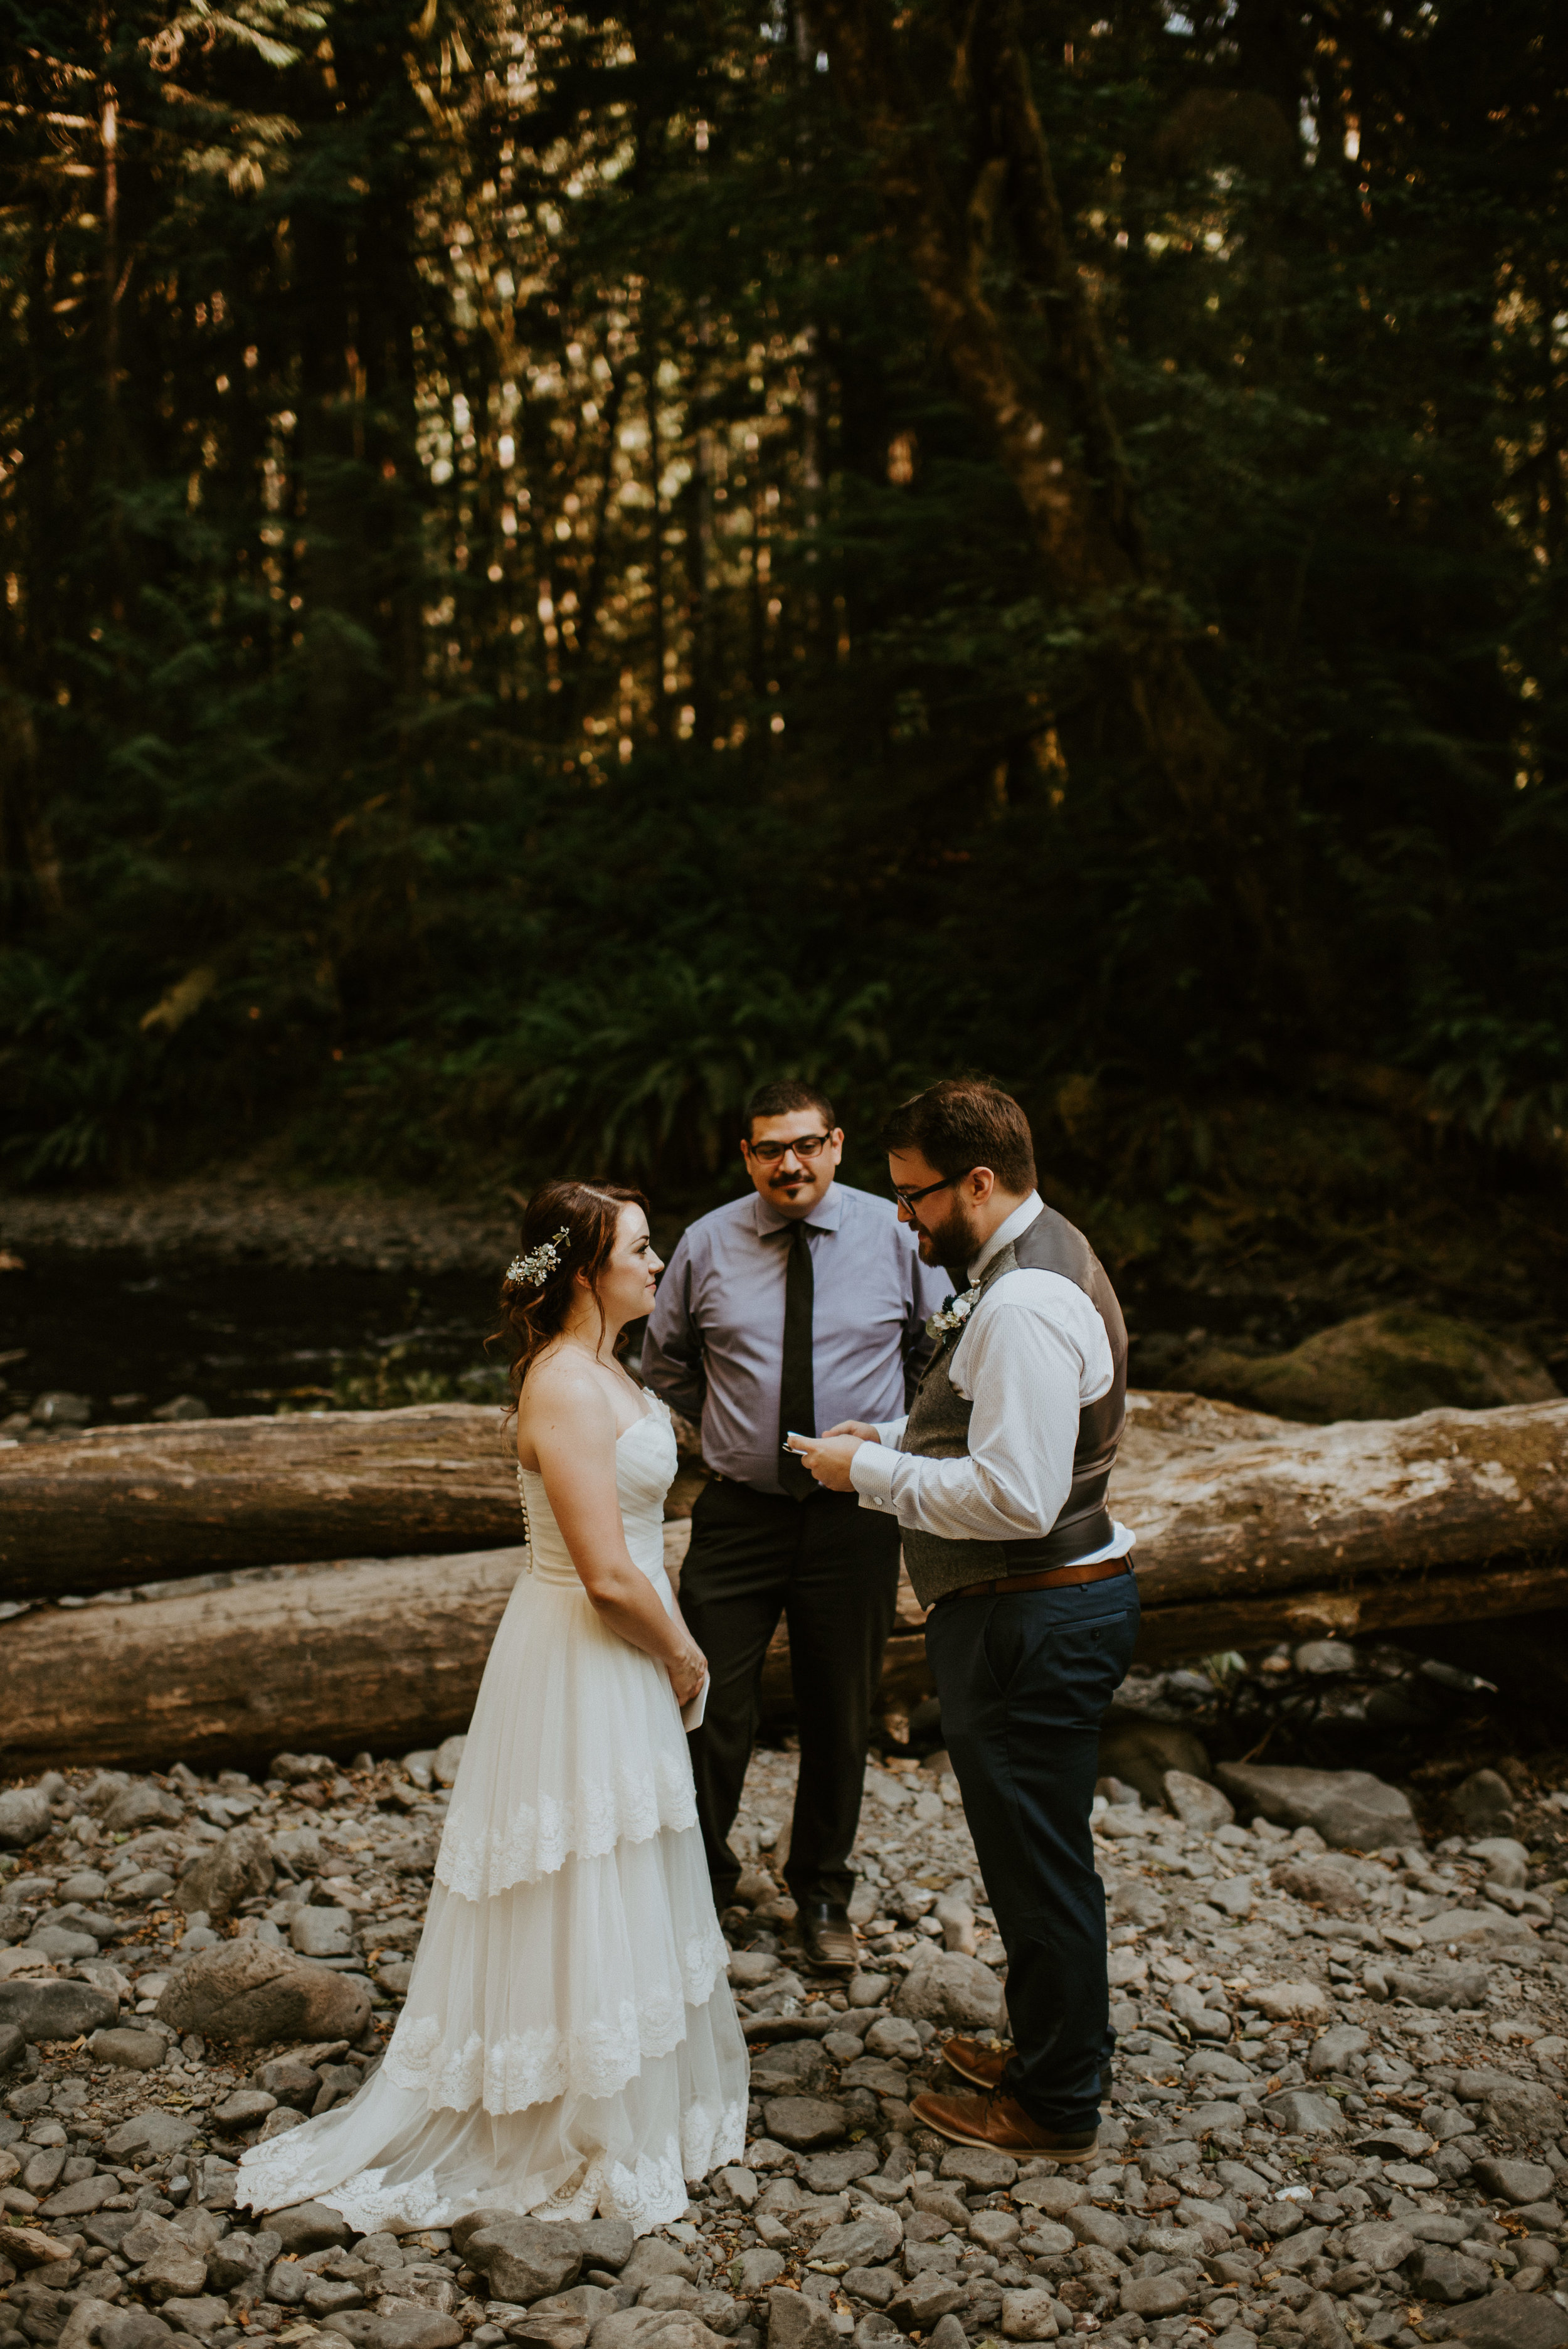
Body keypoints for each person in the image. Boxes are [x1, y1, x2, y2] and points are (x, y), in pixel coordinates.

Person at [237, 1180, 747, 2235]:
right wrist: (685, 1653)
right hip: (584, 1646)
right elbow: (607, 1573)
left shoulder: (609, 1369)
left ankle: (616, 2089)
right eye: (643, 1250)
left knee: (620, 1858)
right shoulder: (563, 1385)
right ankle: (557, 2113)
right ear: (583, 1270)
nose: (660, 1266)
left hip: (618, 1646)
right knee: (570, 1866)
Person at [789, 1078, 1136, 2162]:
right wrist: (894, 1429)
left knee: (1038, 1866)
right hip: (1037, 1606)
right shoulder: (1033, 1263)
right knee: (1038, 1854)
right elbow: (992, 1426)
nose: (903, 1217)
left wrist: (874, 1472)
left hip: (1028, 1614)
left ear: (979, 1181)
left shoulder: (1026, 1302)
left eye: (917, 1196)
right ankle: (1051, 2053)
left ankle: (1055, 2106)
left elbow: (1020, 1497)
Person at [640, 1078, 948, 1970]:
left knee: (838, 1706)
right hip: (739, 1511)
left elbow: (938, 1355)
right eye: (770, 1148)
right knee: (705, 1699)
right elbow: (668, 1366)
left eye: (806, 1144)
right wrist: (738, 1431)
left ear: (838, 1144)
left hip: (856, 1512)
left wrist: (890, 1441)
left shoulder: (897, 1236)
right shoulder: (706, 1243)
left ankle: (821, 1891)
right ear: (748, 1156)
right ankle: (695, 1883)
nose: (790, 1162)